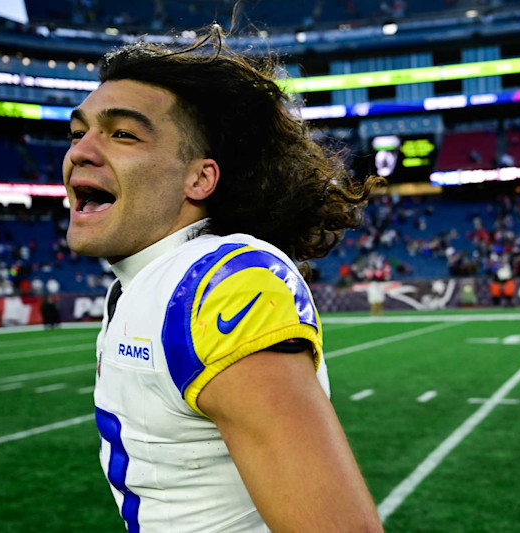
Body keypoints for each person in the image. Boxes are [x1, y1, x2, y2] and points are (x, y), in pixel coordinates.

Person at [63, 26, 383, 532]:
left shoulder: (218, 283)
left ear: (199, 178)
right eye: (78, 133)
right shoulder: (146, 279)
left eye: (122, 133)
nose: (81, 151)